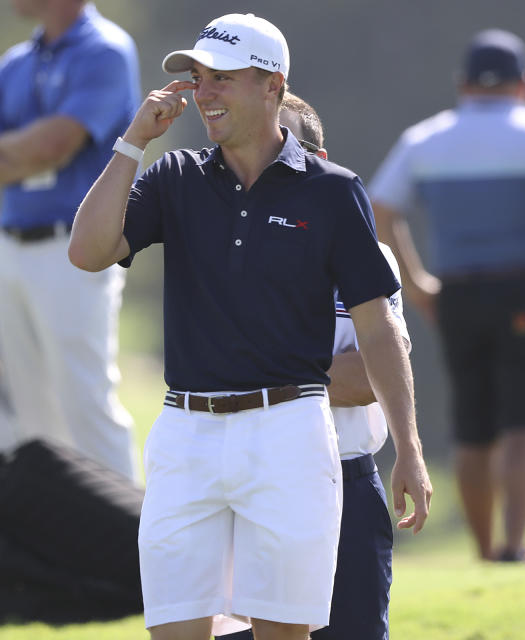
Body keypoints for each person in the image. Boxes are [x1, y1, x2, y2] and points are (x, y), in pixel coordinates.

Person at [67, 13, 432, 640]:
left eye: (223, 79)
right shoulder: (173, 175)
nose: (204, 93)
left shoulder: (333, 191)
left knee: (282, 634)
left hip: (289, 431)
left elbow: (377, 331)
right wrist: (133, 142)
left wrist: (410, 447)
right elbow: (88, 250)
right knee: (174, 631)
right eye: (199, 79)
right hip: (185, 432)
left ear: (272, 86)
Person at [369, 28, 525, 562]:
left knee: (473, 428)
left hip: (457, 295)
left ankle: (482, 551)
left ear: (462, 84)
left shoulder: (425, 138)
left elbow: (380, 209)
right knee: (524, 424)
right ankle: (514, 546)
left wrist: (415, 282)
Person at [215, 92, 405, 640]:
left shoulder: (373, 256)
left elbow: (370, 379)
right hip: (246, 478)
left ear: (319, 159)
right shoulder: (221, 250)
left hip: (345, 479)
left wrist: (268, 366)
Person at [0, 0, 139, 479]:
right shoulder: (15, 61)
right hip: (10, 245)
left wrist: (25, 152)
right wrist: (25, 153)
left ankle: (125, 542)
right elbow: (35, 151)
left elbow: (54, 145)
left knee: (85, 406)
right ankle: (55, 545)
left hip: (74, 253)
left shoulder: (106, 51)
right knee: (31, 418)